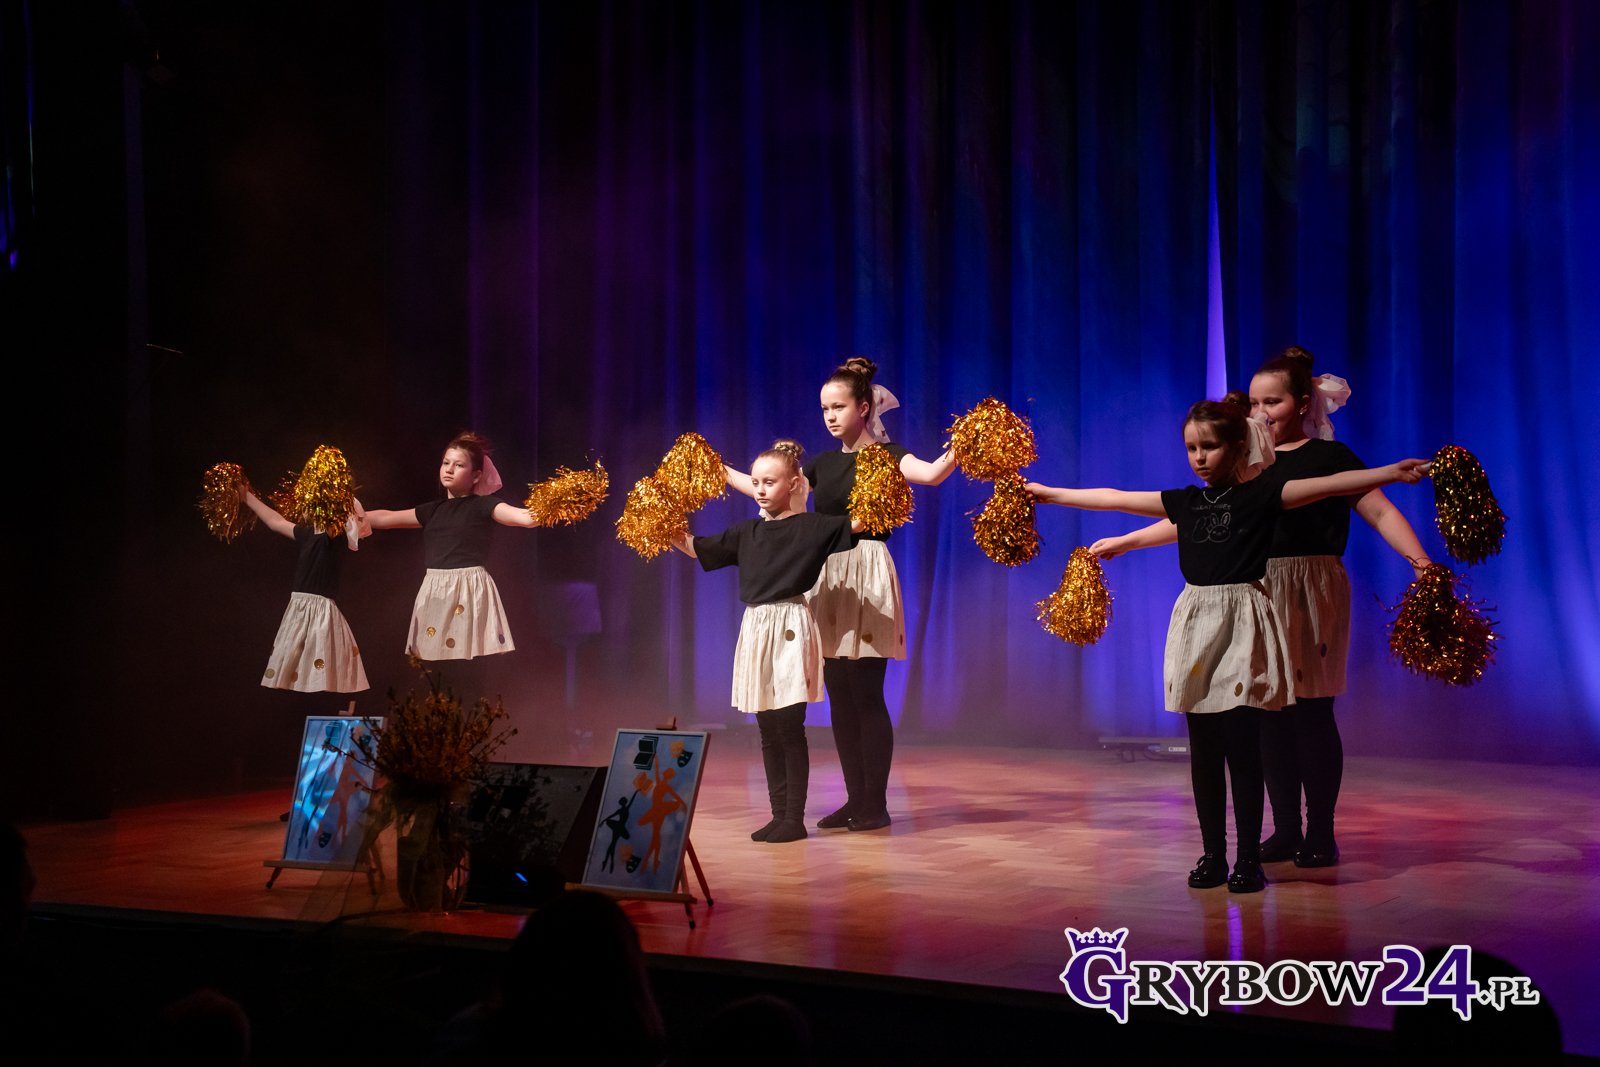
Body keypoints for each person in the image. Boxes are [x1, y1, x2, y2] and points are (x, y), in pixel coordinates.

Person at [1026, 393, 1428, 892]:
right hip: (1197, 625)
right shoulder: (1187, 502)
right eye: (1191, 448)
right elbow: (1117, 497)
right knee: (1204, 749)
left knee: (1243, 747)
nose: (1199, 458)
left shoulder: (1261, 496)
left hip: (1244, 622)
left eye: (1210, 447)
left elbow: (1330, 485)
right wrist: (1051, 493)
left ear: (1238, 447)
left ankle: (1247, 860)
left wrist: (1391, 472)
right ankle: (1213, 855)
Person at [725, 358, 956, 833]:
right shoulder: (822, 464)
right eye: (825, 408)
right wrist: (715, 467)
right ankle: (854, 799)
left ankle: (875, 803)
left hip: (867, 572)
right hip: (827, 574)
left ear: (864, 407)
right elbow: (769, 486)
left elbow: (933, 474)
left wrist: (969, 441)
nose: (830, 416)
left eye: (839, 407)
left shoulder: (889, 456)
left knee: (866, 691)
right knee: (839, 694)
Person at [1248, 347, 1433, 866]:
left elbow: (1380, 511)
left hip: (1312, 586)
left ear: (1303, 403)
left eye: (1273, 402)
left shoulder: (1330, 457)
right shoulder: (1246, 463)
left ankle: (1320, 833)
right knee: (1268, 715)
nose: (1262, 413)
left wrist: (1421, 564)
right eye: (1255, 402)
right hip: (1257, 589)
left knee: (1311, 712)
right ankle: (1285, 829)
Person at [677, 440, 863, 843]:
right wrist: (664, 527)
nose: (760, 489)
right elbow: (696, 549)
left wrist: (882, 483)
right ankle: (778, 814)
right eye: (756, 482)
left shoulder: (812, 526)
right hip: (757, 626)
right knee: (766, 728)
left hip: (791, 623)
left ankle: (794, 818)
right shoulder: (748, 531)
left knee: (789, 726)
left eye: (770, 482)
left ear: (794, 484)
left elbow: (860, 523)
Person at [366, 432, 542, 696]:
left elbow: (525, 518)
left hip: (468, 592)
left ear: (476, 475)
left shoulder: (484, 506)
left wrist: (559, 503)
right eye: (446, 463)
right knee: (434, 675)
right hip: (436, 593)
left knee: (467, 673)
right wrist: (343, 513)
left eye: (458, 465)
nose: (449, 469)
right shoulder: (432, 510)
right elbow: (385, 518)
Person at [241, 489, 370, 694]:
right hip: (299, 608)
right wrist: (245, 495)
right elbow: (275, 522)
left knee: (319, 671)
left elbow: (336, 518)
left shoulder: (333, 534)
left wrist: (331, 488)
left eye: (310, 503)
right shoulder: (307, 534)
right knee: (296, 672)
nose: (304, 508)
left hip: (318, 613)